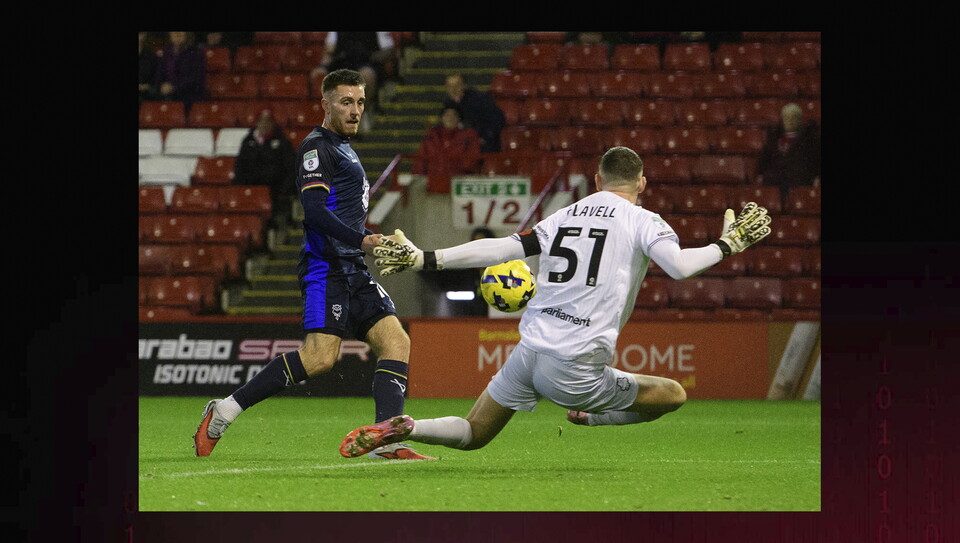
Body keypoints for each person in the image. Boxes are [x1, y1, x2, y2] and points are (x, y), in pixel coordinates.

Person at [338, 146, 772, 458]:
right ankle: (592, 417)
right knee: (673, 393)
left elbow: (503, 247)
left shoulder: (567, 213)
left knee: (475, 432)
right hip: (574, 368)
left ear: (597, 180)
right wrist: (727, 245)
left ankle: (409, 426)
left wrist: (426, 258)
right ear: (642, 183)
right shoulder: (644, 220)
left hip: (529, 351)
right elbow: (678, 266)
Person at [195, 69, 434, 461]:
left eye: (360, 102)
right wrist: (362, 240)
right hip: (326, 266)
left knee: (397, 342)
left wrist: (370, 237)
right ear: (325, 104)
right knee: (320, 357)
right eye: (346, 102)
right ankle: (225, 409)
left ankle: (386, 442)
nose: (355, 110)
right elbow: (314, 211)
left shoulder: (344, 148)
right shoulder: (317, 147)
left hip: (353, 266)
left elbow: (344, 215)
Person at [233, 108, 298, 230]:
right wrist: (240, 188)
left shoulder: (283, 142)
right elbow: (240, 167)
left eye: (268, 121)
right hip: (251, 190)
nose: (264, 124)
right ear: (257, 123)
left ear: (273, 123)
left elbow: (291, 168)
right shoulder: (248, 142)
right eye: (261, 121)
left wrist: (284, 190)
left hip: (275, 191)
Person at [310, 32, 397, 117]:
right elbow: (329, 52)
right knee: (321, 74)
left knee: (366, 75)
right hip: (342, 63)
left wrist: (370, 57)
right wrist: (323, 67)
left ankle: (363, 113)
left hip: (368, 62)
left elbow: (388, 50)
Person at [756, 102, 822, 205]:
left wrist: (818, 176)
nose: (790, 121)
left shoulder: (810, 138)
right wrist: (760, 173)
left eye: (793, 117)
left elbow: (817, 159)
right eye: (786, 117)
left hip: (800, 179)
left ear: (800, 119)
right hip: (776, 180)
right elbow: (765, 158)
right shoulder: (774, 136)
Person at [412, 105, 483, 193]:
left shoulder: (468, 137)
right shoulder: (431, 137)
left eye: (454, 115)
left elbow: (471, 162)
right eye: (447, 115)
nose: (450, 118)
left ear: (459, 119)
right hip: (432, 185)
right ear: (442, 118)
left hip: (459, 185)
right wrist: (418, 178)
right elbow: (420, 160)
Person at [443, 74, 505, 153]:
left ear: (463, 86)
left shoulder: (479, 99)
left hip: (484, 147)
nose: (454, 89)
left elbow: (498, 118)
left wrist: (484, 137)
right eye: (450, 86)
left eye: (457, 85)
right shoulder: (448, 104)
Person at [153, 31, 207, 114]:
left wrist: (173, 87)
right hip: (168, 96)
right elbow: (160, 74)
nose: (177, 34)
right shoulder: (167, 51)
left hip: (189, 98)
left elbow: (195, 78)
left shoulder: (196, 52)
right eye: (174, 32)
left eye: (180, 32)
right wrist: (160, 86)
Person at [138, 32, 160, 103]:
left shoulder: (151, 56)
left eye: (141, 33)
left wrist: (147, 86)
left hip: (145, 94)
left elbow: (156, 78)